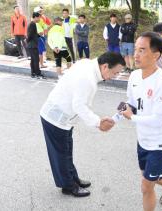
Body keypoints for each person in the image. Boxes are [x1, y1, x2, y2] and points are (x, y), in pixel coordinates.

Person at [40, 52, 125, 197]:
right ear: (105, 66)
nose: (114, 76)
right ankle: (68, 186)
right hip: (55, 119)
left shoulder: (87, 64)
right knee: (61, 154)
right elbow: (79, 106)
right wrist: (98, 122)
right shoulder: (88, 78)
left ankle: (73, 178)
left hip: (65, 118)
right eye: (115, 72)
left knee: (66, 151)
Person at [113, 32, 162, 211]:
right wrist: (115, 117)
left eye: (142, 50)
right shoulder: (134, 76)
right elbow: (131, 103)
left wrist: (131, 117)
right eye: (136, 49)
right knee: (150, 175)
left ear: (156, 55)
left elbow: (158, 120)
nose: (135, 54)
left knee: (146, 186)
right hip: (143, 140)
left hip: (161, 143)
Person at [27, 12, 45, 79]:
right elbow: (30, 35)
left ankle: (33, 73)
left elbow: (33, 34)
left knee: (33, 60)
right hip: (32, 45)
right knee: (36, 59)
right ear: (35, 17)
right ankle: (37, 73)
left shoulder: (33, 24)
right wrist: (27, 41)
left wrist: (38, 34)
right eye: (39, 17)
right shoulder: (32, 24)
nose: (39, 19)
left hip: (31, 44)